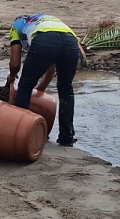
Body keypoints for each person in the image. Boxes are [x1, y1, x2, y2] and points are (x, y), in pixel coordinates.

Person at [6, 14, 82, 147]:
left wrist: (12, 77)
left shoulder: (16, 25)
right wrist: (41, 89)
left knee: (25, 86)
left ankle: (21, 133)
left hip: (45, 41)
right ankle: (66, 137)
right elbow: (51, 67)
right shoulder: (44, 19)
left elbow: (15, 64)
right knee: (66, 90)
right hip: (71, 41)